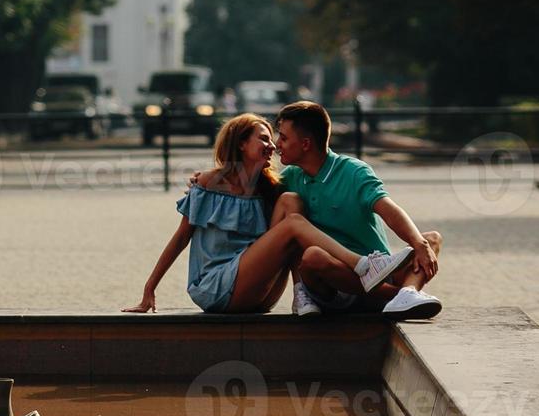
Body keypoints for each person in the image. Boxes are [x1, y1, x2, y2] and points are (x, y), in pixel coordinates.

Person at [123, 113, 415, 315]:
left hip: (260, 290)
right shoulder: (208, 183)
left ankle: (302, 293)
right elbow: (180, 239)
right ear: (240, 143)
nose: (273, 146)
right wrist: (149, 289)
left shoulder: (273, 187)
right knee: (294, 223)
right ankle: (365, 266)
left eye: (274, 140)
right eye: (263, 139)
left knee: (291, 202)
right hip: (217, 288)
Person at [274, 101, 444, 319]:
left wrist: (419, 244)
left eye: (284, 138)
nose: (277, 143)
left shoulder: (354, 171)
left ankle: (407, 294)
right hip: (334, 285)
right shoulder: (289, 179)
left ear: (305, 144)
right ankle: (398, 296)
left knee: (431, 239)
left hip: (380, 273)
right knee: (313, 257)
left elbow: (389, 210)